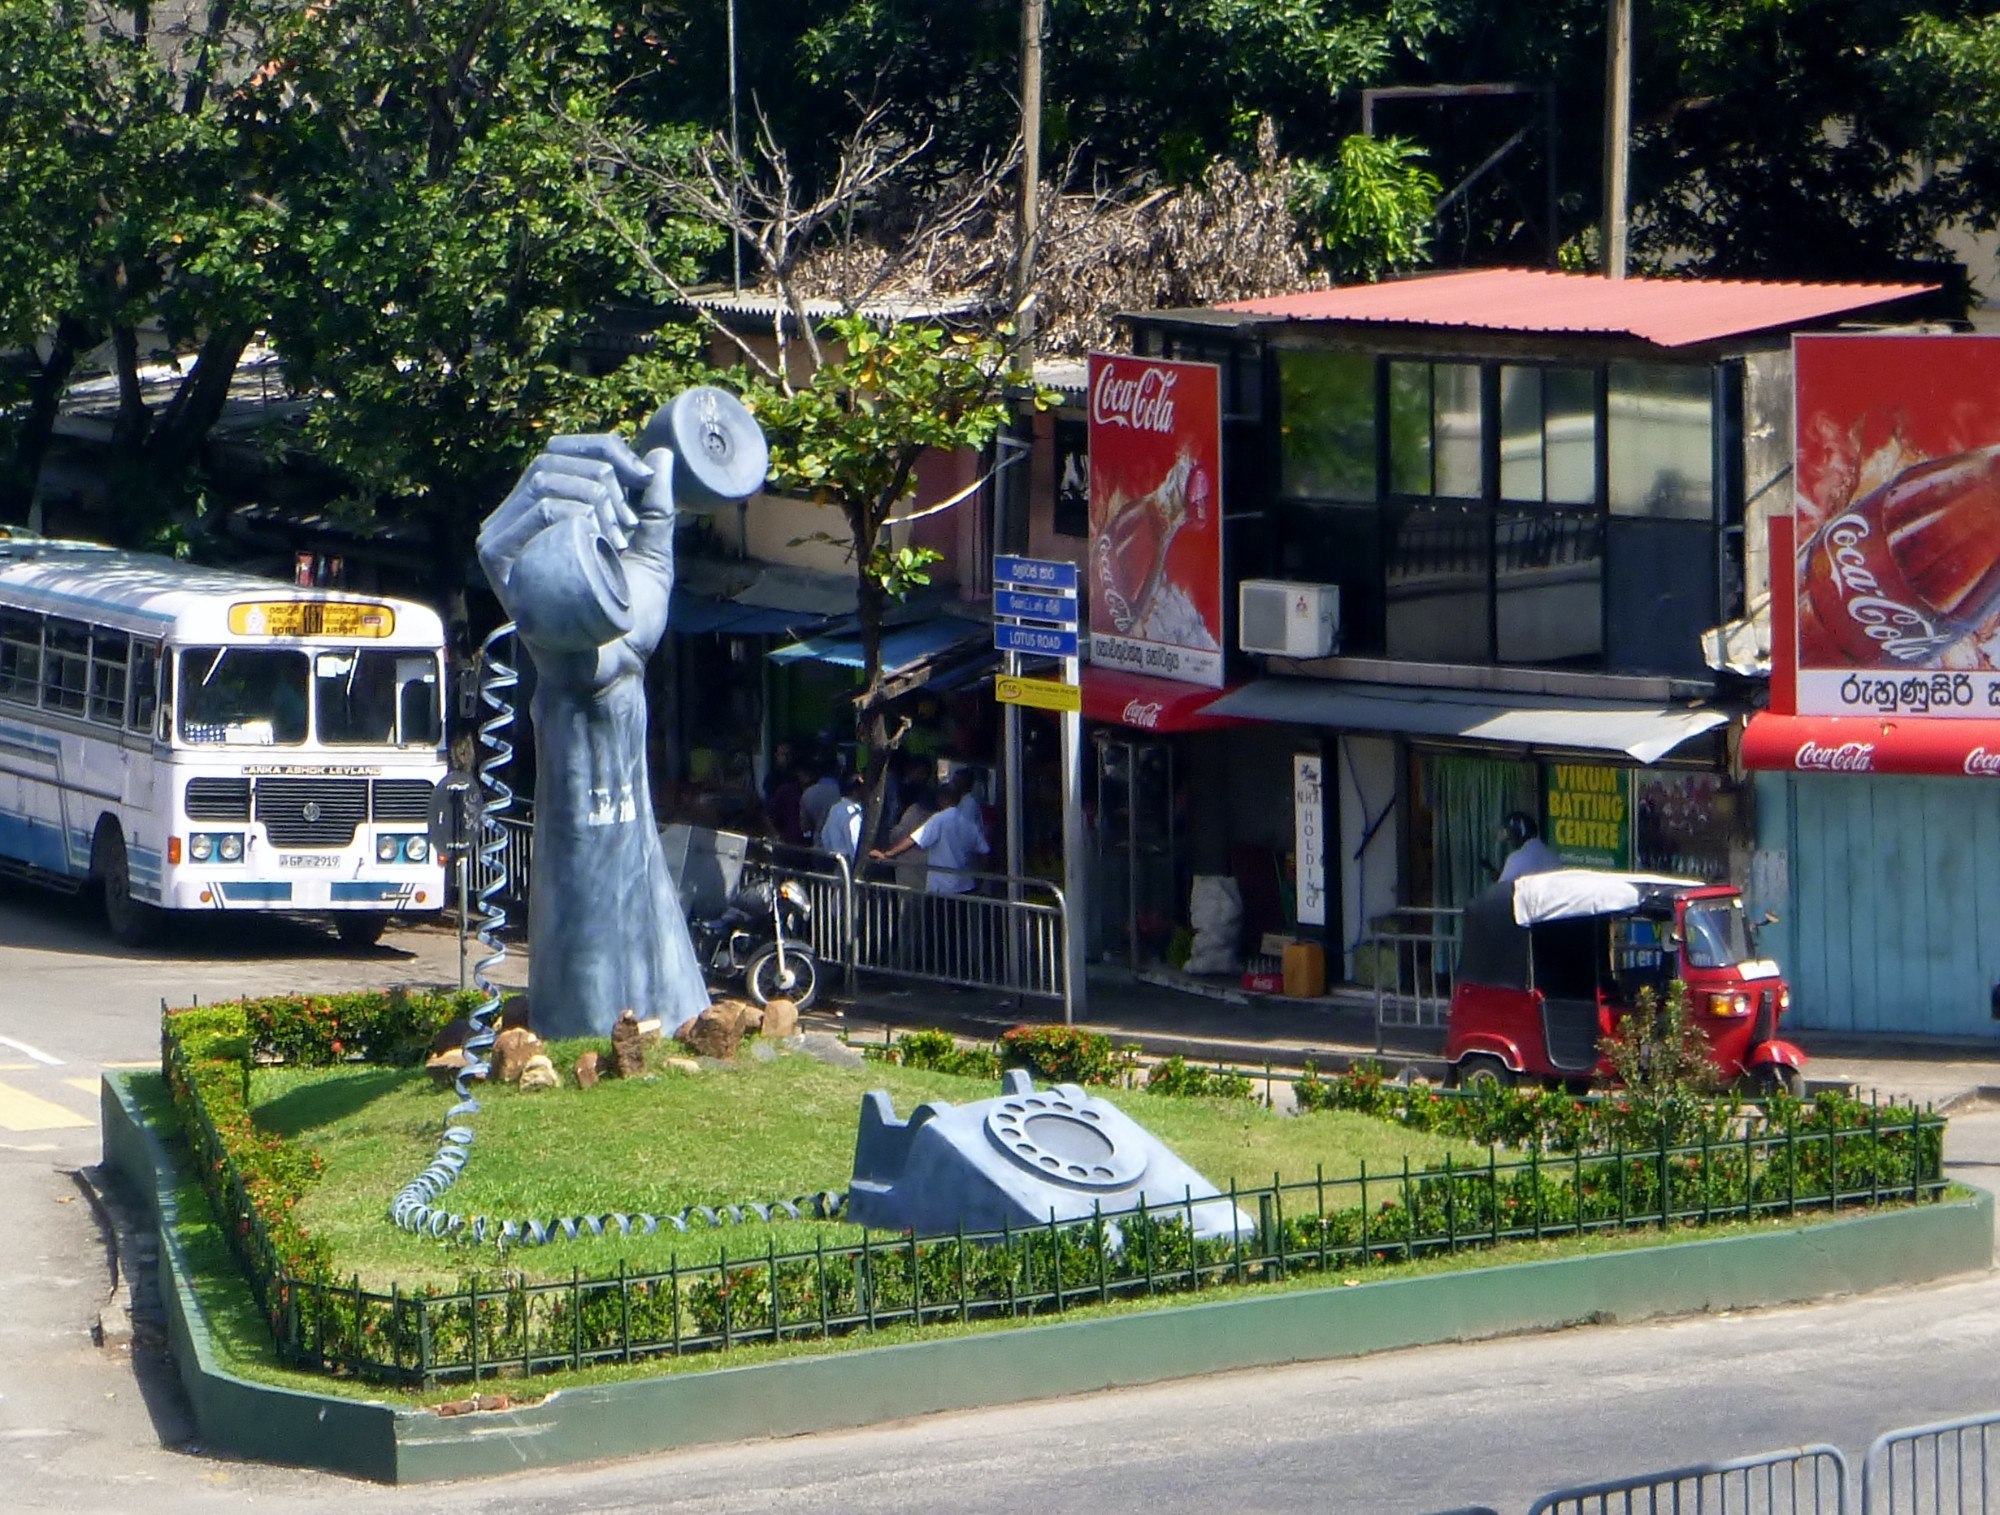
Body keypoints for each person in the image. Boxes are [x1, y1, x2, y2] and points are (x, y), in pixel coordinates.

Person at [1497, 811, 1562, 882]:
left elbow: (1502, 889)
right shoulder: (1553, 856)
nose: (1511, 842)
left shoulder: (1517, 858)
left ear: (1519, 833)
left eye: (1511, 837)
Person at [820, 773, 866, 867]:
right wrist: (858, 866)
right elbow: (854, 842)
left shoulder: (835, 808)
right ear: (855, 790)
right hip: (849, 864)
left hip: (837, 862)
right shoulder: (852, 813)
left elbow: (825, 836)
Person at [799, 756, 840, 846]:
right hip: (841, 849)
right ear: (837, 768)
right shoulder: (844, 792)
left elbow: (805, 827)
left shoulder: (808, 794)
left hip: (819, 848)